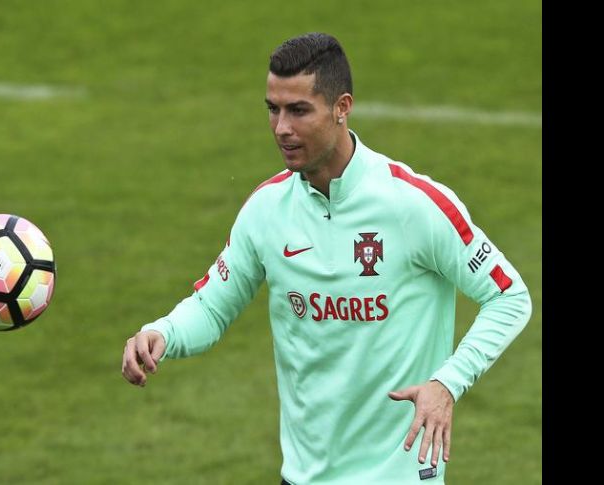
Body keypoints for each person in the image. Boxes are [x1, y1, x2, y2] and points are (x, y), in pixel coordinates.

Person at [121, 32, 531, 484]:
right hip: (302, 477)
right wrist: (162, 332)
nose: (281, 127)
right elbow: (212, 305)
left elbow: (509, 296)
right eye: (273, 109)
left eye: (298, 110)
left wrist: (447, 383)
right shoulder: (266, 210)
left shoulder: (414, 206)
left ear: (342, 107)